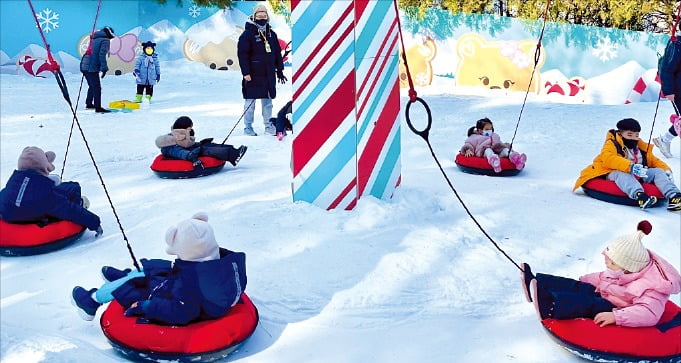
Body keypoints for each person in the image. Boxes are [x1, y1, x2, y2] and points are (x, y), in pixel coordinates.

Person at [71, 212, 247, 325]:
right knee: (160, 266)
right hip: (191, 288)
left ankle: (92, 300)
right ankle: (129, 275)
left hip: (174, 299)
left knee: (131, 289)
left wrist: (147, 306)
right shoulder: (223, 262)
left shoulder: (189, 284)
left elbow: (181, 311)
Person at [520, 220, 681, 327]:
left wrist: (616, 317)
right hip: (605, 293)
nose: (606, 263)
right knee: (578, 287)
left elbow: (649, 313)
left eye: (611, 262)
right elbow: (603, 278)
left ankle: (550, 306)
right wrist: (582, 282)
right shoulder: (624, 270)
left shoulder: (652, 288)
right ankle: (536, 282)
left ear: (627, 267)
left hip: (617, 307)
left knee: (588, 303)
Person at [573, 118, 681, 211]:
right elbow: (608, 159)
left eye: (636, 135)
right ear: (621, 133)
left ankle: (674, 196)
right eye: (629, 134)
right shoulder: (612, 143)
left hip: (637, 173)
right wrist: (630, 166)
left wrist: (666, 170)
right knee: (622, 173)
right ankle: (640, 196)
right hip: (612, 172)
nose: (633, 138)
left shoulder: (639, 146)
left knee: (658, 171)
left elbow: (653, 160)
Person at [0, 146, 102, 236]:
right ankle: (79, 203)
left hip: (14, 216)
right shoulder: (46, 197)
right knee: (73, 187)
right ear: (44, 167)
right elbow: (70, 209)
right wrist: (95, 222)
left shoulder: (9, 187)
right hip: (39, 216)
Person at [237, 4, 287, 136]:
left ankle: (268, 125)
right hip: (253, 74)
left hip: (268, 73)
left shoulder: (271, 34)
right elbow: (242, 54)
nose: (262, 18)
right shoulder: (247, 34)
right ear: (254, 17)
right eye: (259, 16)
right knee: (250, 103)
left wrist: (280, 70)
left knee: (268, 102)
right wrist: (246, 72)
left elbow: (277, 52)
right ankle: (248, 127)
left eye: (264, 16)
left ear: (267, 17)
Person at [155, 116, 248, 169]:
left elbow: (188, 145)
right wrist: (190, 155)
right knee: (207, 150)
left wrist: (200, 143)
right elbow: (179, 152)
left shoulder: (181, 136)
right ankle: (234, 156)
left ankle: (234, 150)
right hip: (190, 155)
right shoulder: (169, 143)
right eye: (189, 128)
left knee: (208, 145)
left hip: (192, 151)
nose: (191, 130)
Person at [459, 117, 527, 172]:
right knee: (488, 150)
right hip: (484, 153)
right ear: (480, 130)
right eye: (487, 129)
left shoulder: (494, 136)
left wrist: (509, 148)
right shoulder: (475, 137)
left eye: (491, 128)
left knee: (505, 150)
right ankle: (493, 160)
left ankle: (516, 159)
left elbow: (500, 144)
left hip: (497, 153)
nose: (490, 130)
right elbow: (468, 144)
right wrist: (467, 150)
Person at [654, 34, 681, 158]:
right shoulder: (676, 44)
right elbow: (667, 69)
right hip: (678, 90)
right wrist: (668, 91)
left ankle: (664, 140)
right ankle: (664, 140)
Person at [80, 26, 115, 113]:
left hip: (84, 64)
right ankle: (98, 107)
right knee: (96, 87)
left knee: (92, 86)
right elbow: (101, 55)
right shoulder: (105, 40)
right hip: (91, 66)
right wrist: (104, 68)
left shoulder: (94, 38)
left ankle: (89, 103)